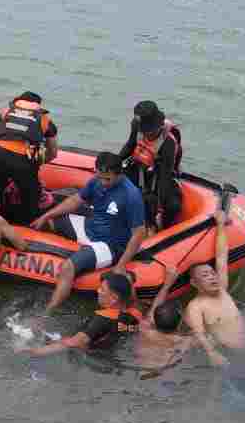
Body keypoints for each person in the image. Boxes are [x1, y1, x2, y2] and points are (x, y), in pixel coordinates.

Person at [32, 152, 150, 314]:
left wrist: (121, 265)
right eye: (100, 177)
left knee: (68, 267)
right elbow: (75, 201)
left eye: (107, 179)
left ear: (119, 174)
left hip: (109, 244)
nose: (103, 182)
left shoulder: (131, 195)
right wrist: (47, 215)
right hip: (89, 227)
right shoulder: (96, 181)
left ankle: (47, 313)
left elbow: (139, 233)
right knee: (46, 222)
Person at [183, 203, 245, 366]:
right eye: (205, 275)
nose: (212, 277)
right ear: (194, 283)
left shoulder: (222, 289)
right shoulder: (196, 306)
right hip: (227, 356)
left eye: (212, 273)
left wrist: (220, 225)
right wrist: (212, 353)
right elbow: (198, 333)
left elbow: (221, 256)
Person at [18, 272, 141, 356]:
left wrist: (34, 351)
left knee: (36, 332)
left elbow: (75, 342)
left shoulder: (102, 318)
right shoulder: (136, 314)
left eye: (102, 290)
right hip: (111, 348)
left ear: (114, 298)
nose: (98, 291)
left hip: (90, 353)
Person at [0, 91, 59, 227]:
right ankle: (26, 228)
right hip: (24, 161)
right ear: (37, 106)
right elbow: (53, 153)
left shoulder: (6, 112)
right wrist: (36, 163)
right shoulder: (44, 119)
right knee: (31, 198)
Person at [118, 101, 184, 231]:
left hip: (160, 173)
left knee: (172, 205)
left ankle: (162, 229)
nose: (147, 134)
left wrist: (160, 206)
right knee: (117, 185)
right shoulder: (136, 124)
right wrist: (115, 162)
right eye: (145, 131)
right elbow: (130, 145)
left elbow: (165, 176)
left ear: (159, 125)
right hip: (139, 166)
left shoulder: (168, 143)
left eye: (150, 131)